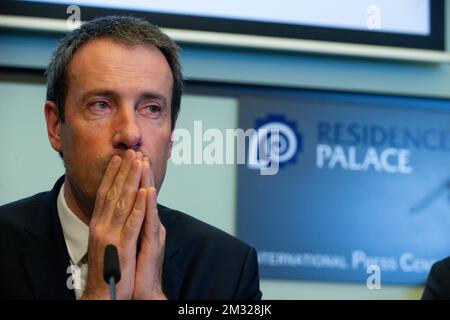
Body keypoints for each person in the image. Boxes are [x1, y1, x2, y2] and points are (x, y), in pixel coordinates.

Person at [0, 16, 262, 300]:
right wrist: (100, 293)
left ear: (171, 134)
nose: (130, 132)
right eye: (101, 104)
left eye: (151, 108)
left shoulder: (228, 268)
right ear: (55, 127)